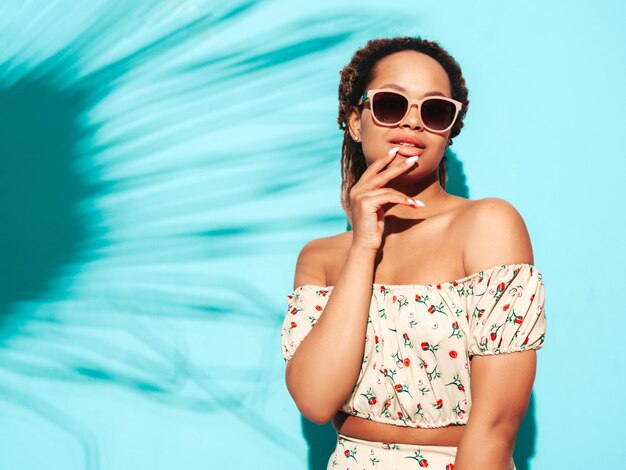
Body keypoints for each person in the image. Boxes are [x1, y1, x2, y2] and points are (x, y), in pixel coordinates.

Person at [280, 36, 547, 470]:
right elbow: (315, 400)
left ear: (449, 132)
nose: (412, 123)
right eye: (391, 104)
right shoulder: (322, 257)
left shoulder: (488, 226)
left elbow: (496, 425)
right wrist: (364, 245)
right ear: (355, 121)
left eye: (434, 110)